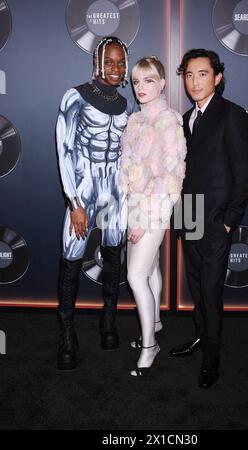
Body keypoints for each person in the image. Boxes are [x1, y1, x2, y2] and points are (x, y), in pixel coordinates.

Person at [170, 49, 248, 388]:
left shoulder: (231, 114)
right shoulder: (186, 118)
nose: (194, 81)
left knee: (210, 290)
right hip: (188, 214)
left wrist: (229, 220)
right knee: (195, 284)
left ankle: (212, 356)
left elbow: (244, 173)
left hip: (216, 220)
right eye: (189, 75)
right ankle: (200, 337)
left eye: (202, 74)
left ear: (217, 78)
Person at [55, 36, 132, 371]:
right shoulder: (75, 96)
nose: (115, 68)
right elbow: (65, 149)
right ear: (97, 63)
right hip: (84, 189)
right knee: (71, 259)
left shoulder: (128, 105)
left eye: (120, 62)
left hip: (115, 190)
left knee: (114, 257)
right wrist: (74, 202)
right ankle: (67, 338)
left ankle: (108, 323)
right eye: (110, 61)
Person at [119, 56, 186, 376]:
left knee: (134, 275)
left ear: (162, 83)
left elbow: (170, 178)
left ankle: (149, 345)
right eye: (136, 82)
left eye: (148, 81)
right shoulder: (135, 120)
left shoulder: (169, 121)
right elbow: (128, 171)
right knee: (151, 268)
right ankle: (156, 323)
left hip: (155, 210)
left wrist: (143, 220)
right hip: (135, 205)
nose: (141, 88)